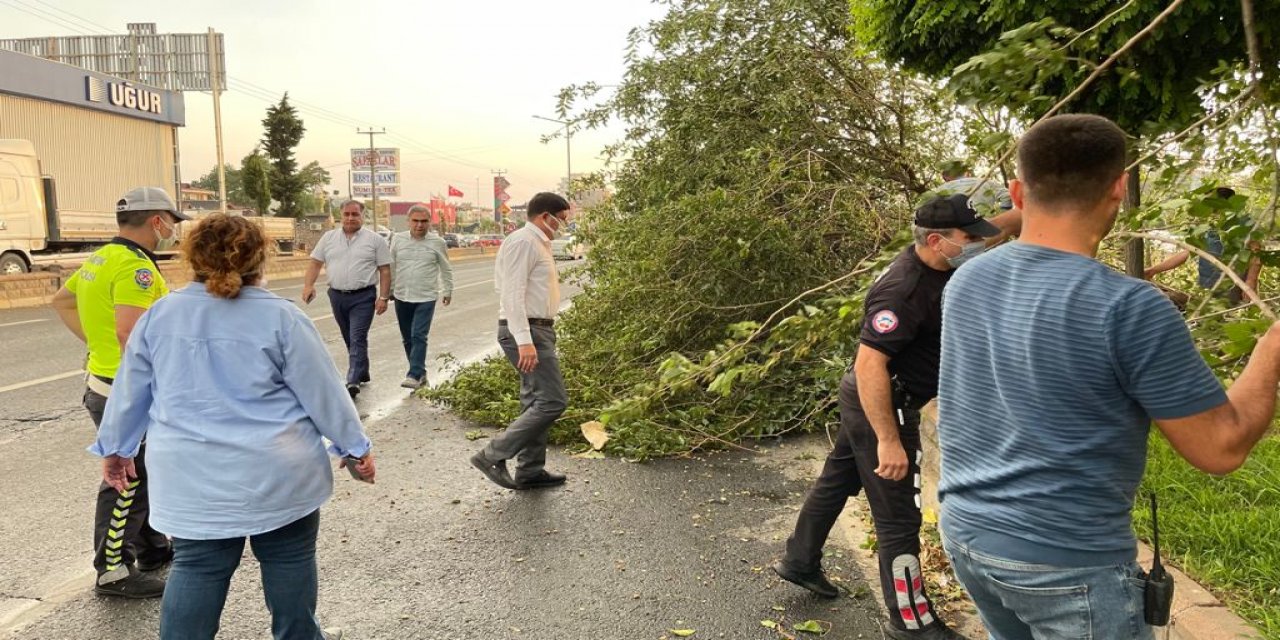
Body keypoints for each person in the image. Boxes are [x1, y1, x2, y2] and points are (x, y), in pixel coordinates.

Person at [937, 114, 1280, 639]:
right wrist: (1270, 348)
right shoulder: (1130, 306)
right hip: (1068, 567)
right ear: (1119, 188)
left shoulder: (968, 278)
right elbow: (1220, 449)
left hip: (967, 536)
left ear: (1017, 192)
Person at [90, 214, 375, 640]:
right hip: (279, 473)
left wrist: (116, 449)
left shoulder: (160, 316)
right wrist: (354, 449)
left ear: (192, 257)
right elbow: (325, 394)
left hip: (191, 476)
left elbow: (130, 394)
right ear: (259, 258)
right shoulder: (282, 318)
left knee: (198, 567)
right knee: (289, 561)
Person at [772, 194, 1002, 639]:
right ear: (937, 241)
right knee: (899, 518)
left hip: (875, 398)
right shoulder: (903, 291)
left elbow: (1003, 226)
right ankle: (910, 620)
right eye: (970, 238)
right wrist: (889, 439)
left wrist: (1032, 206)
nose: (978, 244)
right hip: (881, 403)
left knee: (837, 479)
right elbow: (869, 365)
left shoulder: (939, 262)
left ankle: (799, 560)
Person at [50, 186, 189, 598]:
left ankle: (151, 549)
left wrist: (95, 344)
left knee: (143, 472)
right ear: (156, 221)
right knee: (126, 476)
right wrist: (155, 385)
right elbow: (131, 333)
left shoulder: (101, 257)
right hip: (124, 391)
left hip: (104, 381)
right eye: (171, 222)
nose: (173, 230)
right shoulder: (135, 268)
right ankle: (113, 570)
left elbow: (62, 300)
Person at [470, 192, 571, 490]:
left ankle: (529, 470)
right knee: (553, 401)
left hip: (537, 329)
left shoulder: (538, 243)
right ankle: (491, 455)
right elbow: (511, 294)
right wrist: (524, 340)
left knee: (534, 401)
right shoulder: (524, 242)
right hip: (526, 331)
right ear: (544, 217)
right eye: (561, 220)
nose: (562, 225)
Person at [302, 200, 392, 398]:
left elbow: (385, 270)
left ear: (362, 216)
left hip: (364, 296)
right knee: (349, 337)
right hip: (337, 296)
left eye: (355, 214)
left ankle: (352, 380)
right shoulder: (328, 238)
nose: (350, 218)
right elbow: (316, 263)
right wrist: (309, 285)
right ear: (341, 216)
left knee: (357, 336)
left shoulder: (375, 240)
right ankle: (362, 370)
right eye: (347, 214)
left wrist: (383, 297)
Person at [1143, 187, 1262, 305]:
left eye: (1210, 201)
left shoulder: (1244, 222)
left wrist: (1251, 280)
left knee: (1229, 315)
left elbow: (1256, 253)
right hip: (1207, 285)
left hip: (1233, 286)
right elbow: (1190, 252)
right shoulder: (1206, 225)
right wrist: (1154, 270)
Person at [389, 205, 454, 389]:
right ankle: (420, 372)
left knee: (419, 335)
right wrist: (389, 290)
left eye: (424, 221)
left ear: (429, 222)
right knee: (407, 338)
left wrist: (448, 290)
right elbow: (391, 266)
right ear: (408, 221)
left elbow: (446, 268)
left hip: (426, 296)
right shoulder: (398, 239)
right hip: (402, 295)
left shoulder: (437, 242)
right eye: (415, 221)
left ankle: (414, 374)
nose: (419, 225)